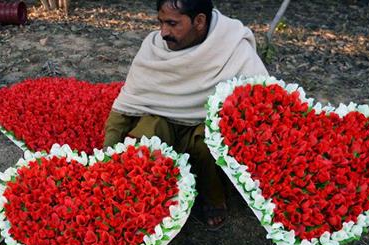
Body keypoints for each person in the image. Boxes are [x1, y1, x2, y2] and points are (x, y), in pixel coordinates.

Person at [103, 0, 268, 230]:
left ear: (199, 21)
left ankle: (214, 198)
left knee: (210, 142)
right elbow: (126, 104)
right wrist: (104, 161)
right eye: (160, 22)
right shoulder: (153, 49)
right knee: (146, 136)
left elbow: (260, 103)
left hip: (204, 125)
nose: (163, 33)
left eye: (172, 24)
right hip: (163, 124)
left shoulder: (232, 47)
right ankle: (148, 203)